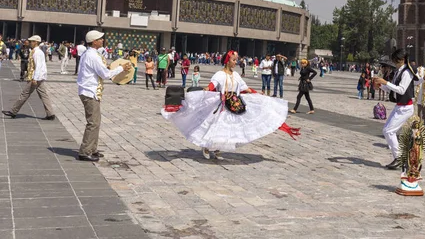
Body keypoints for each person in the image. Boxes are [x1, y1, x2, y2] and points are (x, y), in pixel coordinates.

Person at [162, 50, 299, 160]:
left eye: (236, 60)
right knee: (215, 126)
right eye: (234, 60)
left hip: (235, 103)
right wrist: (202, 92)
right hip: (222, 104)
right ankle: (206, 146)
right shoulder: (220, 74)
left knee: (227, 129)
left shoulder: (236, 75)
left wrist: (257, 94)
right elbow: (211, 86)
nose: (236, 62)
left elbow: (245, 88)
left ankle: (216, 149)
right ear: (228, 60)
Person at [76, 30, 131, 161]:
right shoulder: (92, 55)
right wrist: (121, 68)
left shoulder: (91, 53)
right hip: (89, 92)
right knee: (93, 123)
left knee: (96, 121)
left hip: (90, 91)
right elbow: (105, 74)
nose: (102, 40)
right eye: (100, 39)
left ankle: (92, 148)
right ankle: (85, 151)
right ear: (94, 41)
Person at [373, 50, 421, 169]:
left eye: (397, 61)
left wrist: (385, 82)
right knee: (386, 130)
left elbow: (401, 90)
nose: (395, 63)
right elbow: (392, 90)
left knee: (389, 131)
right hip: (399, 105)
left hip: (406, 107)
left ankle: (399, 157)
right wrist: (381, 85)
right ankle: (399, 156)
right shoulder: (398, 72)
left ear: (402, 60)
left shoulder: (407, 72)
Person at [2, 35, 55, 120]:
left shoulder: (37, 53)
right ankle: (50, 114)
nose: (30, 43)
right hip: (38, 77)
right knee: (44, 95)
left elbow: (38, 66)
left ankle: (13, 111)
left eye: (31, 41)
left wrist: (35, 78)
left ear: (36, 42)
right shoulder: (35, 51)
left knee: (24, 94)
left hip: (35, 78)